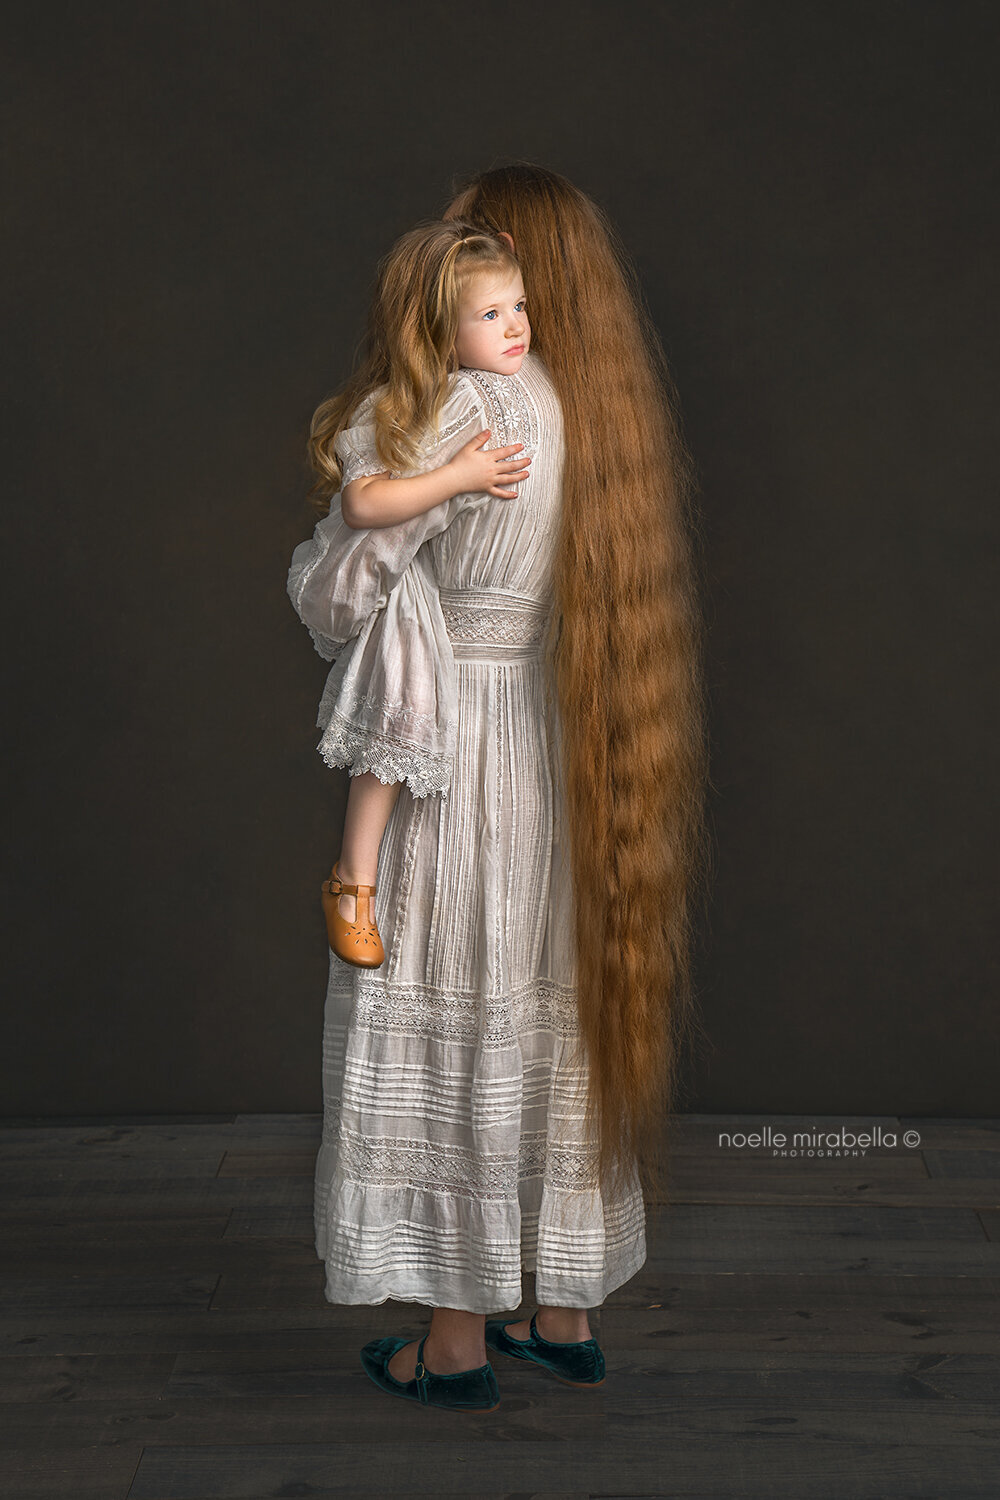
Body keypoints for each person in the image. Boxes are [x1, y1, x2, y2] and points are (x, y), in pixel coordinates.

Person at [286, 167, 709, 1413]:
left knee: (446, 980)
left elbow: (340, 587)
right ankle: (563, 1306)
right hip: (556, 736)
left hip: (452, 739)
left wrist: (364, 515)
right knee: (547, 1000)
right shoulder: (588, 418)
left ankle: (455, 1336)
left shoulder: (455, 414)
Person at [293, 220, 535, 971]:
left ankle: (356, 881)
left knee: (412, 725)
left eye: (520, 306)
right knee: (398, 725)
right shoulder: (397, 408)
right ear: (439, 331)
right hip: (398, 594)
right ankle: (352, 881)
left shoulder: (492, 389)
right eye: (489, 315)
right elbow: (365, 506)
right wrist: (458, 478)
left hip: (433, 592)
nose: (516, 327)